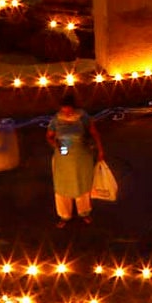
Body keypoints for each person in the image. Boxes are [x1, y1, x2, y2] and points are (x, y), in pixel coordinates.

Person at [46, 91, 102, 226]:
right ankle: (64, 215)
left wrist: (100, 150)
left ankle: (84, 212)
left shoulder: (83, 117)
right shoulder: (56, 119)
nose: (66, 112)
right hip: (63, 156)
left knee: (81, 184)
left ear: (73, 107)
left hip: (81, 155)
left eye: (68, 109)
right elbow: (49, 136)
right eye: (63, 109)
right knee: (62, 185)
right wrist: (56, 145)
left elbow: (94, 133)